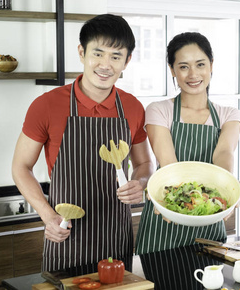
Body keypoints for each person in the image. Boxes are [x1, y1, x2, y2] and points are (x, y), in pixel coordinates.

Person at [11, 14, 153, 274]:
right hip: (65, 232)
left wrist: (140, 183)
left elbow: (144, 163)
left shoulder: (132, 107)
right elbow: (21, 166)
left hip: (116, 235)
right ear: (81, 52)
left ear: (127, 61)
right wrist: (46, 214)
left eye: (115, 56)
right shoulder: (47, 105)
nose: (105, 65)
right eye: (98, 53)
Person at [135, 32, 240, 255]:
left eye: (200, 64)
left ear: (211, 65)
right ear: (172, 70)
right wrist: (181, 204)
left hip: (209, 221)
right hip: (165, 213)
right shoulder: (159, 110)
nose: (193, 74)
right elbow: (170, 164)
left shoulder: (228, 114)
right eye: (183, 67)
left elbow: (223, 153)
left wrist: (224, 190)